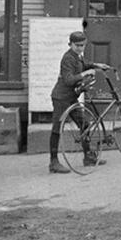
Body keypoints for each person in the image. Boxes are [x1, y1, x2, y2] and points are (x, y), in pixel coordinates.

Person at [48, 28, 107, 174]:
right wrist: (85, 73)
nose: (80, 48)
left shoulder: (78, 56)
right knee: (57, 128)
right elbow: (68, 80)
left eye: (82, 45)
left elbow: (84, 64)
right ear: (70, 44)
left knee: (84, 124)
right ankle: (53, 162)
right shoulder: (67, 58)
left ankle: (88, 157)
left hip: (72, 98)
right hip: (61, 97)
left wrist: (96, 65)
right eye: (77, 45)